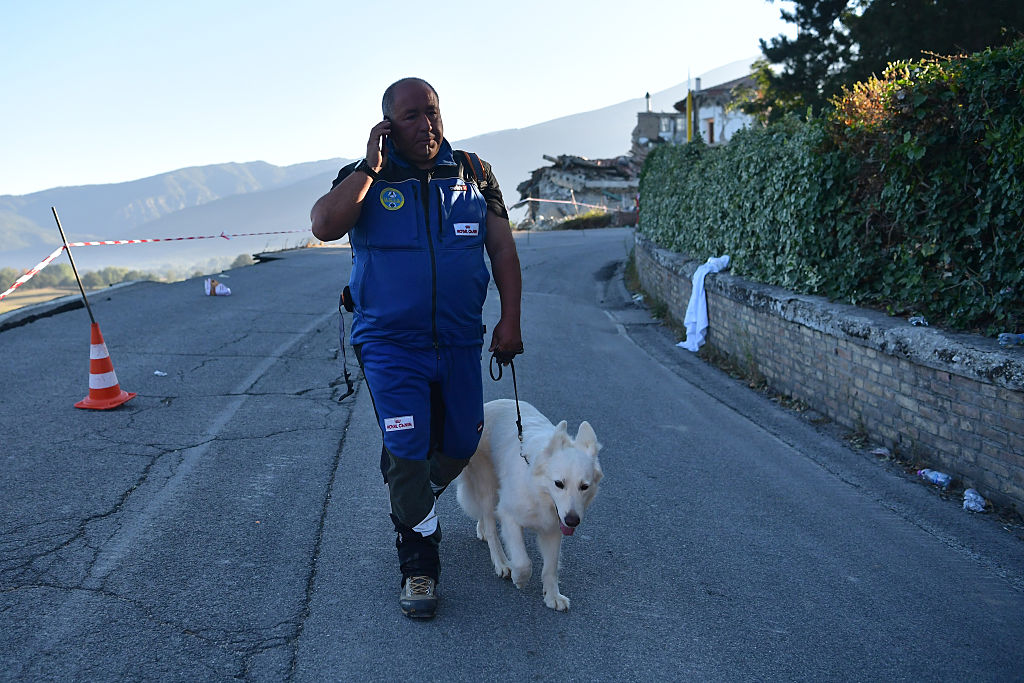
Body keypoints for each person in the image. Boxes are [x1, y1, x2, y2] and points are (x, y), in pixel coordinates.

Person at [310, 77, 523, 619]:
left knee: (459, 441)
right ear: (387, 125)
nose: (425, 124)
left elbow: (501, 249)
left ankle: (411, 489)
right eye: (410, 116)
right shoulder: (362, 179)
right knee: (408, 450)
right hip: (388, 343)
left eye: (432, 111)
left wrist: (510, 320)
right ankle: (420, 566)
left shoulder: (473, 173)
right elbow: (325, 225)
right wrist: (369, 168)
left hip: (457, 339)